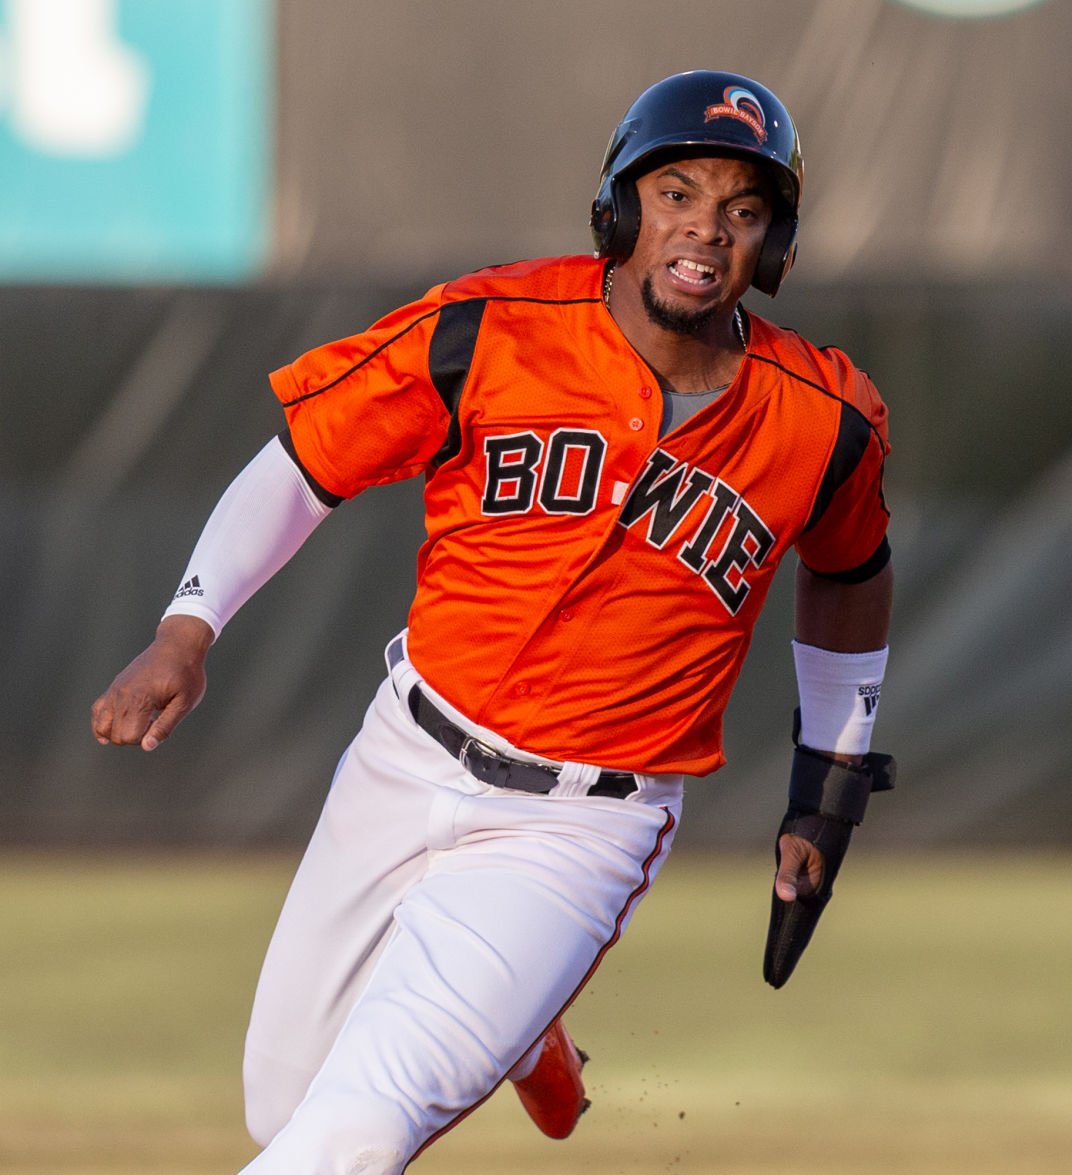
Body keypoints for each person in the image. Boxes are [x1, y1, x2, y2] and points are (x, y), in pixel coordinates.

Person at [88, 70, 895, 1174]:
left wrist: (828, 780)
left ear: (778, 245)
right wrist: (190, 625)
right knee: (283, 1108)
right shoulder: (489, 327)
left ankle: (512, 983)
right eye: (675, 191)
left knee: (349, 1135)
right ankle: (526, 1029)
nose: (704, 229)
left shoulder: (824, 418)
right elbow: (304, 464)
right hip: (406, 746)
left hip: (578, 825)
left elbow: (850, 574)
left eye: (743, 210)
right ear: (619, 210)